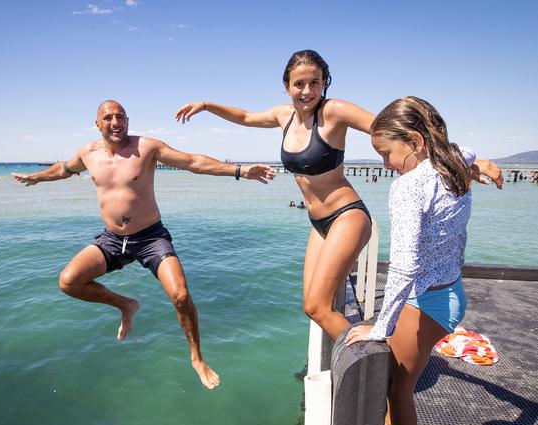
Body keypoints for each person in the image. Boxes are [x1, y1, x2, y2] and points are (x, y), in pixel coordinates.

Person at [176, 50, 503, 344]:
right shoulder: (282, 115)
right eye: (299, 84)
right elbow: (245, 117)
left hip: (347, 215)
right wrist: (206, 105)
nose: (307, 92)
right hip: (317, 222)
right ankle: (374, 359)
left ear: (325, 83)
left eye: (314, 83)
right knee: (312, 305)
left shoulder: (335, 111)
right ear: (287, 86)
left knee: (317, 305)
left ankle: (374, 367)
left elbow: (398, 130)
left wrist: (466, 161)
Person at [12, 100, 275, 390]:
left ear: (127, 120)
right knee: (69, 281)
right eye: (108, 117)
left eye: (120, 117)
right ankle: (126, 305)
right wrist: (36, 178)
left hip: (150, 237)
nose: (115, 122)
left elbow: (193, 162)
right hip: (112, 239)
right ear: (97, 124)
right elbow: (63, 169)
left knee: (181, 295)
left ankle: (197, 358)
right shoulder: (88, 154)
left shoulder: (147, 147)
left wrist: (239, 170)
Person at [344, 96, 498, 425]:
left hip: (427, 299)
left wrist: (380, 326)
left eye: (387, 153)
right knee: (398, 384)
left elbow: (405, 267)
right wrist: (483, 167)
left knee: (398, 389)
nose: (384, 164)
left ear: (414, 140)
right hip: (445, 292)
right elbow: (470, 154)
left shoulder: (409, 187)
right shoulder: (455, 160)